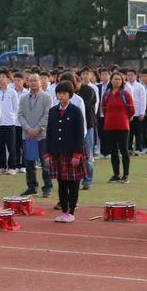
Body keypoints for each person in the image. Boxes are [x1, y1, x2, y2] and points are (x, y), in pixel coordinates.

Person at [46, 81, 86, 223]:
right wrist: (47, 153)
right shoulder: (52, 111)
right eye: (59, 93)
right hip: (57, 152)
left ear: (70, 95)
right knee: (61, 183)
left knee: (74, 183)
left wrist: (77, 154)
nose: (61, 96)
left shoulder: (75, 110)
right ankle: (63, 211)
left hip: (72, 152)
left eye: (64, 93)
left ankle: (71, 212)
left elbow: (80, 134)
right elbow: (49, 133)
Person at [18, 74, 52, 198]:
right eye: (30, 80)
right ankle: (32, 187)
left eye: (35, 80)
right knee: (30, 163)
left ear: (41, 82)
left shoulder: (46, 97)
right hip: (28, 135)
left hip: (42, 135)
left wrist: (36, 129)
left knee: (45, 164)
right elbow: (20, 115)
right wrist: (28, 129)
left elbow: (47, 115)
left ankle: (47, 187)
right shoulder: (23, 98)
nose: (33, 83)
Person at [101, 71, 135, 184]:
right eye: (115, 79)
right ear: (111, 81)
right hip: (109, 127)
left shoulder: (126, 94)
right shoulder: (106, 95)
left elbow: (131, 111)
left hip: (123, 127)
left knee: (124, 150)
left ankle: (126, 175)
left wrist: (124, 118)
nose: (117, 81)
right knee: (113, 151)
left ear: (122, 81)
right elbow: (104, 109)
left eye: (119, 79)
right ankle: (116, 174)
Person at [0, 71, 20, 175]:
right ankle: (2, 166)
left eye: (3, 77)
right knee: (0, 146)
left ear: (8, 79)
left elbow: (16, 108)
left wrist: (12, 118)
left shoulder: (12, 92)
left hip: (10, 123)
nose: (1, 79)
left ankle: (12, 166)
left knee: (11, 146)